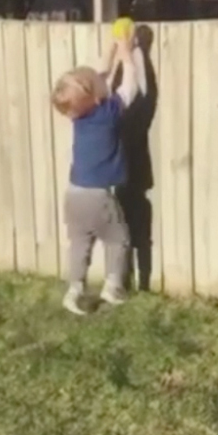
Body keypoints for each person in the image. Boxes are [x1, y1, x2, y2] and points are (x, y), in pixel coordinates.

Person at [51, 32, 144, 315]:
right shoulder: (107, 113)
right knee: (118, 238)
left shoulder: (78, 117)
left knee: (80, 243)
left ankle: (75, 289)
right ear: (93, 96)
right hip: (97, 197)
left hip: (73, 195)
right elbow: (130, 86)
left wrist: (111, 49)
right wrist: (126, 54)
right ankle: (113, 285)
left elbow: (97, 80)